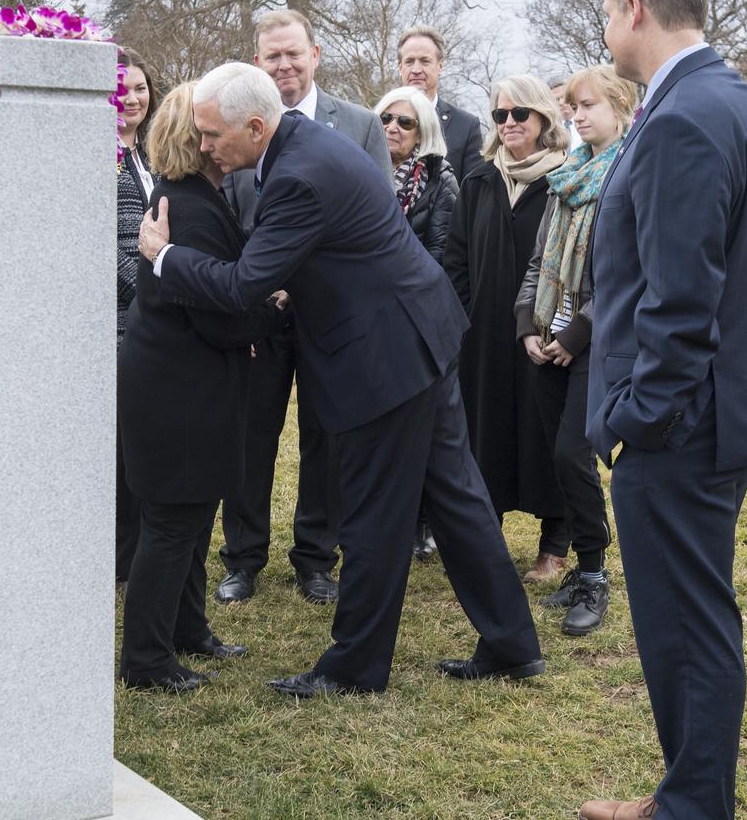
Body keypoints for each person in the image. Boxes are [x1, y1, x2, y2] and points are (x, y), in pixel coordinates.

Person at [139, 62, 543, 698]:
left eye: (213, 135)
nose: (206, 146)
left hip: (385, 356)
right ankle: (514, 643)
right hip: (419, 333)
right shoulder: (303, 147)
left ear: (253, 125)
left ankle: (355, 667)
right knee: (458, 500)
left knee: (374, 516)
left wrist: (165, 258)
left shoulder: (298, 174)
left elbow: (246, 282)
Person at [579, 0, 747, 819]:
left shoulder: (681, 117)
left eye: (605, 9)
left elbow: (681, 298)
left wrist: (642, 417)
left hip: (684, 425)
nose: (605, 24)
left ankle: (691, 808)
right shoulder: (733, 101)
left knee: (685, 625)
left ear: (634, 8)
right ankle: (689, 792)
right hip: (719, 410)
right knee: (693, 616)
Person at [214, 9, 391, 607]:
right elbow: (229, 222)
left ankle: (317, 557)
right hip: (257, 311)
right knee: (247, 434)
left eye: (294, 54)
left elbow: (375, 219)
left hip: (330, 314)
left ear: (315, 54)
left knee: (326, 435)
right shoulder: (236, 127)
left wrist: (301, 280)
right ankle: (242, 556)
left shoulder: (362, 126)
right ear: (258, 62)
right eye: (272, 56)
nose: (284, 65)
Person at [117, 82, 288, 692]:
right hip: (179, 388)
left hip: (181, 381)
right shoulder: (188, 208)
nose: (221, 140)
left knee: (190, 517)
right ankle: (146, 660)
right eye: (211, 130)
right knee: (170, 523)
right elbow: (223, 317)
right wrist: (272, 305)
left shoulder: (192, 197)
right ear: (197, 141)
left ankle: (186, 630)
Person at [513, 65, 636, 637]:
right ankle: (585, 564)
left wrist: (576, 335)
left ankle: (593, 572)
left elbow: (625, 273)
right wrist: (527, 326)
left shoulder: (627, 176)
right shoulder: (566, 178)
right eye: (574, 107)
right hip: (547, 332)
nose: (577, 115)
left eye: (589, 106)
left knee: (571, 452)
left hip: (596, 339)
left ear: (620, 108)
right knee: (555, 452)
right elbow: (540, 261)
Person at [442, 75, 572, 584]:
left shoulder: (565, 179)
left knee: (546, 433)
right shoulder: (478, 181)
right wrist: (463, 319)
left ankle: (554, 544)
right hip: (484, 335)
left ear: (543, 118)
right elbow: (456, 259)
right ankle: (485, 535)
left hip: (545, 335)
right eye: (501, 115)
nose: (510, 123)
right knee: (485, 432)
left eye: (521, 114)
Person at [373, 84, 459, 560]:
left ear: (423, 131)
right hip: (369, 320)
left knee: (421, 431)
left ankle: (420, 524)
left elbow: (440, 256)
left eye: (405, 122)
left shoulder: (439, 181)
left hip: (417, 321)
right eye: (386, 118)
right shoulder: (364, 174)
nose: (393, 128)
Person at [115, 47, 159, 584]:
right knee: (121, 448)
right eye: (121, 89)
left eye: (140, 89)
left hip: (143, 312)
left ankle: (131, 553)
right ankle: (122, 560)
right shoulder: (100, 154)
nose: (132, 98)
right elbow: (109, 241)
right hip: (122, 316)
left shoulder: (141, 155)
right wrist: (151, 293)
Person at [397, 26, 485, 179]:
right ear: (400, 67)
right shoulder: (381, 122)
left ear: (440, 66)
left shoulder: (466, 126)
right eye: (409, 61)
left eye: (425, 61)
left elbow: (474, 192)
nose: (416, 69)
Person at [549, 78, 584, 151]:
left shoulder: (585, 123)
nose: (561, 103)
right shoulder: (550, 131)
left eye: (563, 97)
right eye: (557, 99)